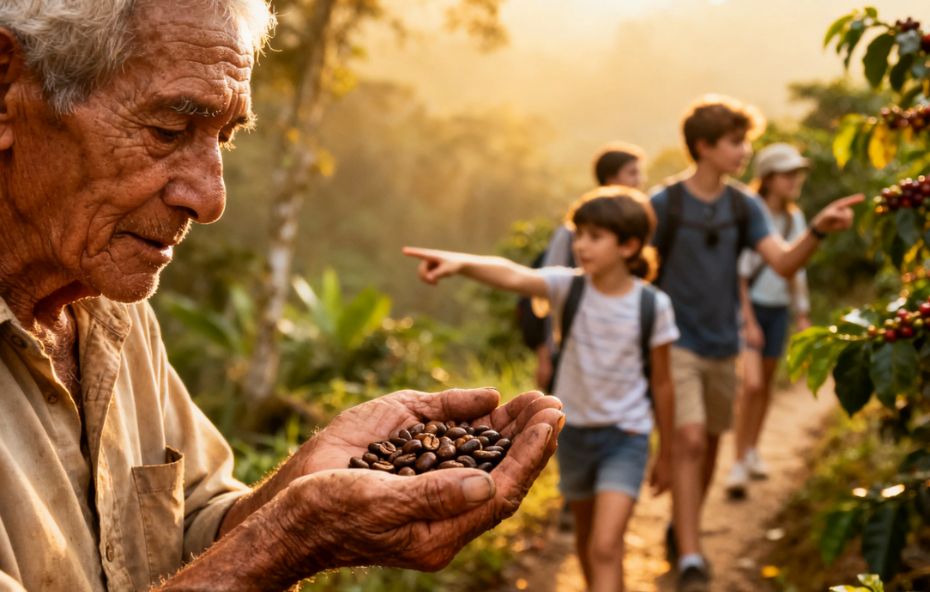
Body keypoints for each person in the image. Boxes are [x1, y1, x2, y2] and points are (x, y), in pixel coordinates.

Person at [0, 2, 565, 591]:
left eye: (223, 137)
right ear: (6, 87)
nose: (211, 198)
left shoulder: (111, 309)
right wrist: (287, 537)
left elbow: (193, 530)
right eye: (168, 130)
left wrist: (291, 494)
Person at [404, 185, 678, 592]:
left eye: (595, 236)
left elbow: (663, 381)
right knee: (586, 540)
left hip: (627, 436)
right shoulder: (570, 287)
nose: (581, 245)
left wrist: (668, 450)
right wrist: (460, 263)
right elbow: (514, 274)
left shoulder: (653, 306)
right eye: (578, 233)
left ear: (630, 245)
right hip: (575, 435)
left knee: (606, 545)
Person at [648, 95, 862, 592]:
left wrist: (817, 231)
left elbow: (783, 263)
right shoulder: (665, 204)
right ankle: (693, 556)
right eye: (735, 141)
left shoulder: (743, 205)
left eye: (745, 140)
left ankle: (684, 527)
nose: (745, 150)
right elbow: (639, 271)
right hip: (675, 343)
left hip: (723, 345)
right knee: (690, 439)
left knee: (709, 449)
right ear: (703, 146)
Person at [725, 143, 813, 499]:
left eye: (797, 173)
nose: (795, 180)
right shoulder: (750, 215)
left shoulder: (795, 219)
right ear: (769, 178)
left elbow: (797, 271)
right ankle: (737, 460)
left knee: (768, 383)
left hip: (777, 310)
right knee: (752, 385)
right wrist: (748, 321)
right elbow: (738, 276)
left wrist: (802, 312)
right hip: (750, 309)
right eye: (787, 174)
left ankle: (752, 450)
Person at [534, 142, 646, 391]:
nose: (640, 180)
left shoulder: (637, 225)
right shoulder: (571, 230)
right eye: (632, 173)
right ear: (611, 178)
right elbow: (546, 291)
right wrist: (545, 353)